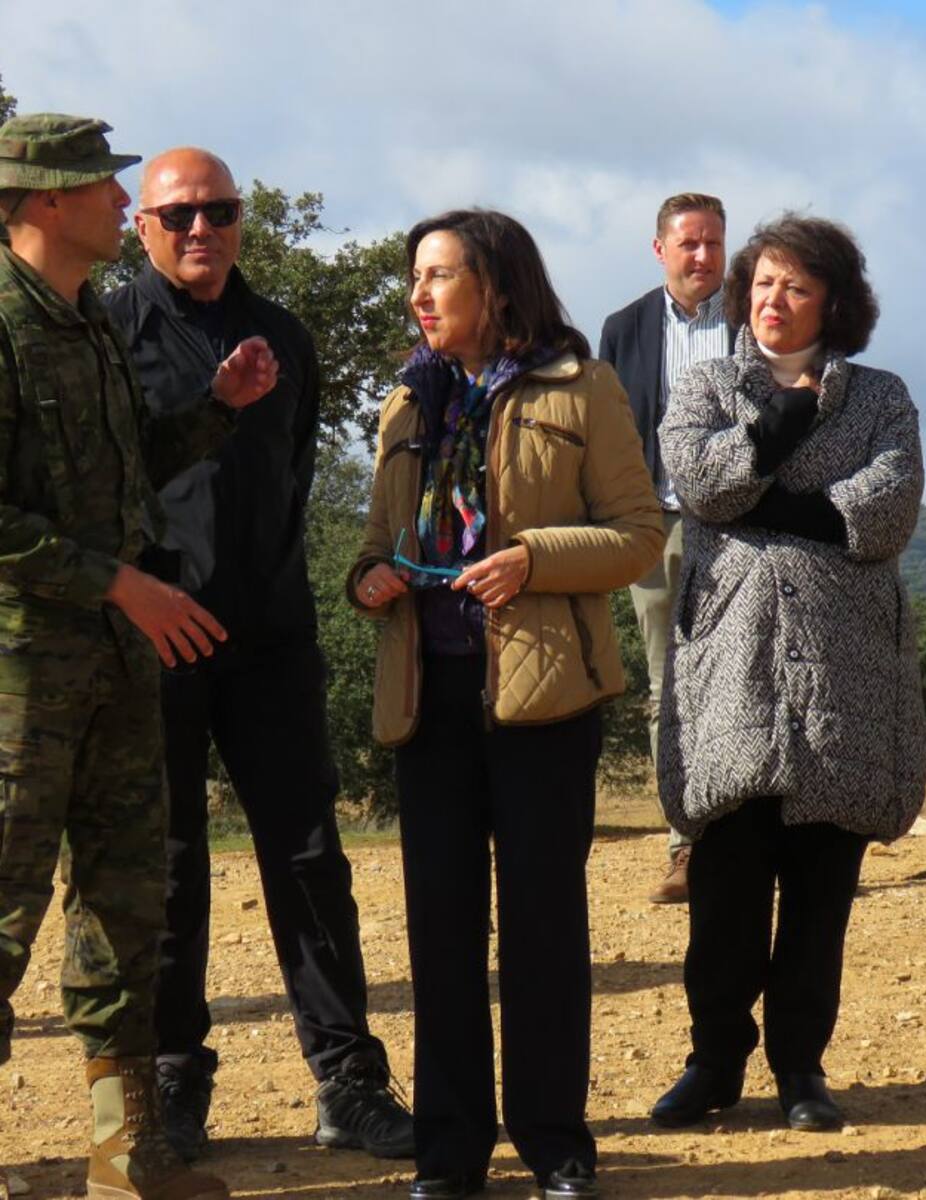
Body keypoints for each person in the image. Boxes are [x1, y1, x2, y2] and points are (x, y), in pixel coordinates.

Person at [104, 147, 414, 1162]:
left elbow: (289, 474)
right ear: (142, 227)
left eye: (222, 211)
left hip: (272, 641)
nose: (204, 230)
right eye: (182, 214)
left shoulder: (282, 334)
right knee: (172, 864)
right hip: (153, 641)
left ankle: (348, 1082)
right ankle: (173, 1081)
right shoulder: (108, 331)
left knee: (310, 857)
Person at [347, 209, 663, 1200]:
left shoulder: (584, 386)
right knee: (440, 933)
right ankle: (448, 1154)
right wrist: (370, 581)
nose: (420, 295)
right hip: (428, 699)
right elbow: (375, 540)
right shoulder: (408, 398)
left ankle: (556, 1145)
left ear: (498, 285)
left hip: (545, 701)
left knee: (542, 932)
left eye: (440, 275)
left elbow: (638, 535)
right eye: (416, 278)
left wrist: (534, 561)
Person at [0, 113, 279, 1200]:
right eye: (104, 188)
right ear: (40, 202)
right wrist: (118, 581)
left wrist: (217, 412)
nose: (126, 205)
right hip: (22, 675)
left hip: (116, 668)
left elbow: (118, 482)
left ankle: (126, 1152)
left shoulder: (91, 324)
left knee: (124, 903)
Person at [650, 214, 926, 1133]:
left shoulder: (883, 398)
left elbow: (880, 519)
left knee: (821, 884)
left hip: (844, 670)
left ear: (833, 303)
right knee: (726, 879)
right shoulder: (704, 384)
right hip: (730, 661)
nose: (774, 300)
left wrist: (765, 487)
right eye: (763, 282)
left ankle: (802, 1069)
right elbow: (699, 486)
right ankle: (712, 1063)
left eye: (796, 287)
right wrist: (779, 434)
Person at [598, 193, 733, 904]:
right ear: (661, 249)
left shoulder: (756, 318)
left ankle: (749, 841)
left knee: (752, 677)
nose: (704, 256)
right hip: (654, 523)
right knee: (666, 687)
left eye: (714, 242)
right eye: (690, 244)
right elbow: (610, 429)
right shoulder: (624, 328)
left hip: (743, 525)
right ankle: (685, 845)